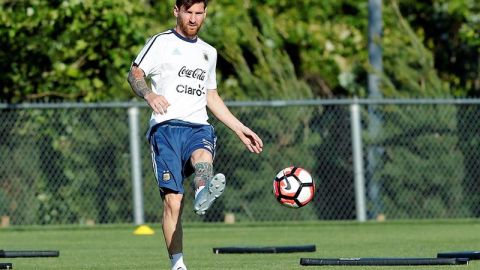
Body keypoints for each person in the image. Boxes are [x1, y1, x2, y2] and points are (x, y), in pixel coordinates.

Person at [127, 0, 263, 269]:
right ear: (176, 11)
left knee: (203, 156)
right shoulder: (161, 42)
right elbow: (135, 73)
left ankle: (203, 191)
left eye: (198, 13)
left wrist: (239, 128)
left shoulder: (208, 52)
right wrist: (149, 93)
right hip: (165, 129)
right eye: (188, 12)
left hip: (198, 126)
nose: (193, 18)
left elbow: (211, 96)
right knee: (173, 202)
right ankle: (177, 264)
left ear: (205, 14)